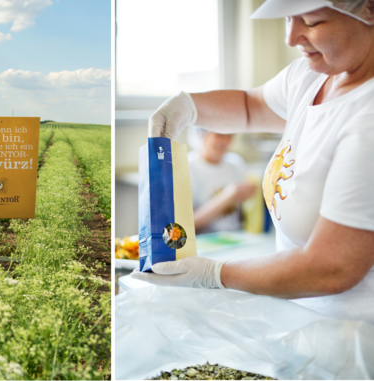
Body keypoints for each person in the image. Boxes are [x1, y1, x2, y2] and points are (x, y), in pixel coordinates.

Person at [132, 0, 374, 323]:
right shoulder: (311, 76)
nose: (291, 37)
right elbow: (249, 106)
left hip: (354, 335)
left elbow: (331, 268)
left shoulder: (366, 121)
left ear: (368, 9)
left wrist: (214, 273)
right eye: (289, 18)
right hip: (303, 319)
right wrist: (188, 106)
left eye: (312, 22)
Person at [187, 128, 256, 233]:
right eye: (219, 135)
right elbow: (186, 225)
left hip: (237, 236)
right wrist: (227, 196)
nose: (226, 141)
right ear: (202, 136)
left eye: (230, 135)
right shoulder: (187, 167)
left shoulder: (236, 163)